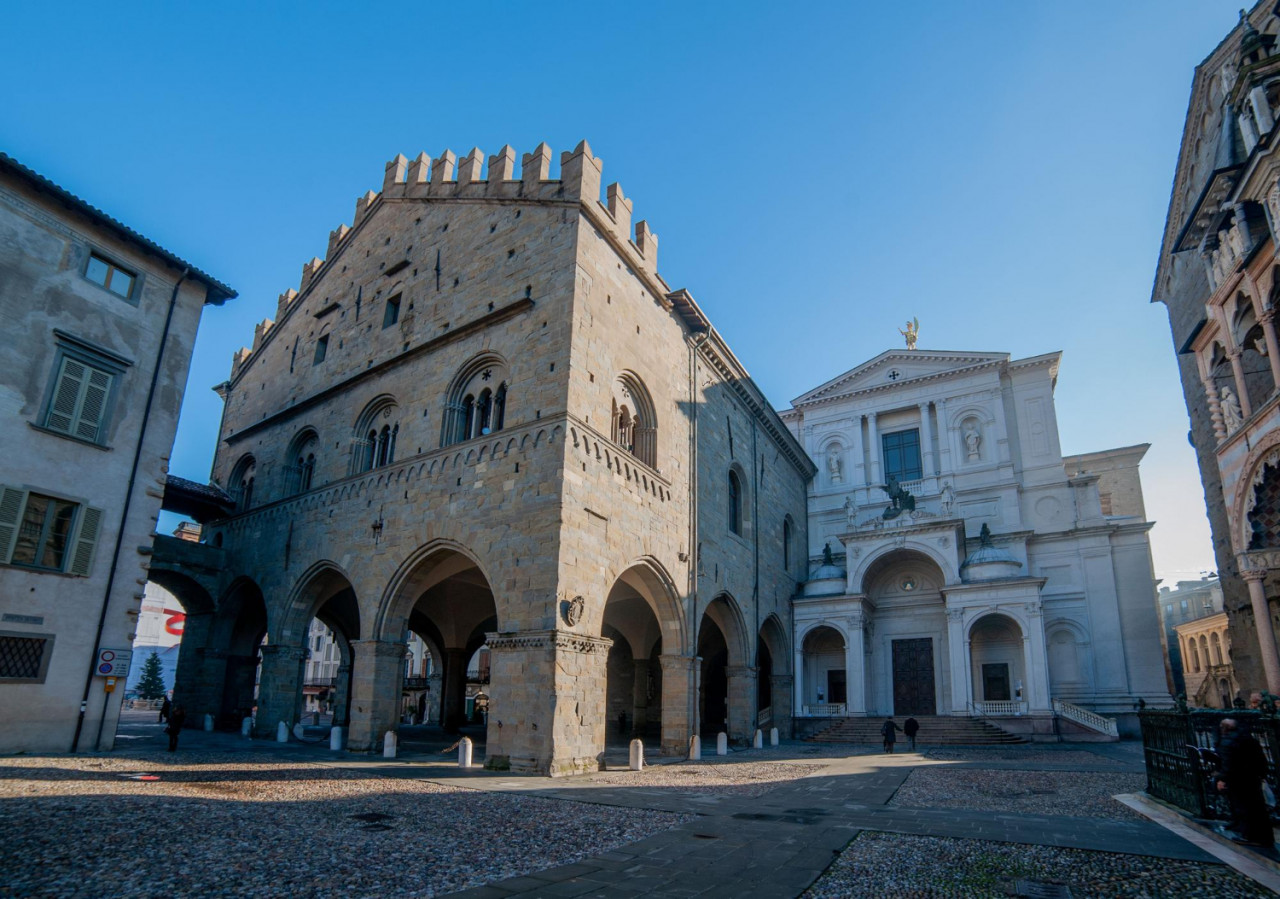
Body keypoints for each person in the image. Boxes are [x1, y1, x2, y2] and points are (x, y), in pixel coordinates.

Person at [1214, 718, 1274, 847]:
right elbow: (1261, 759)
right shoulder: (1249, 739)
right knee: (1258, 808)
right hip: (1253, 778)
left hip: (1238, 780)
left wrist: (1222, 778)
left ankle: (1250, 836)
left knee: (1244, 808)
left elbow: (1228, 764)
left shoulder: (1227, 741)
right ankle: (1266, 837)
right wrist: (1262, 775)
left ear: (1223, 728)